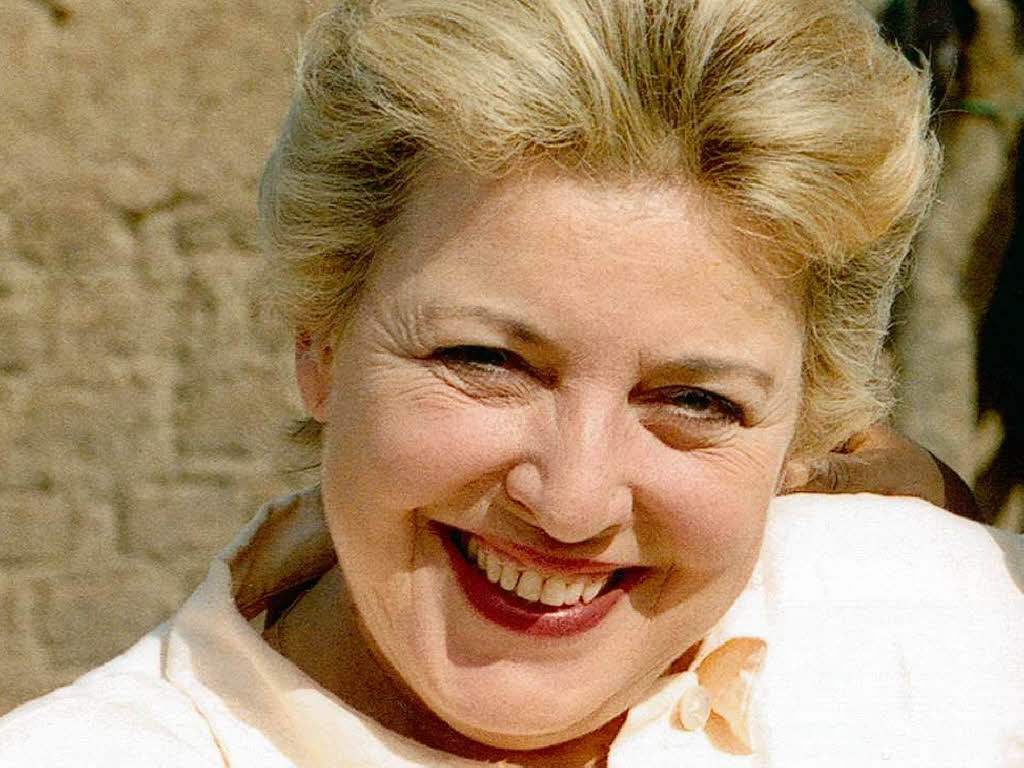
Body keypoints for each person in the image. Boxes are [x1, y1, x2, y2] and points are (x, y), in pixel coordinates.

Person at [1, 0, 1020, 766]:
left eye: (695, 401)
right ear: (318, 340)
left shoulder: (955, 638)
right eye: (484, 362)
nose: (571, 503)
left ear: (806, 429)